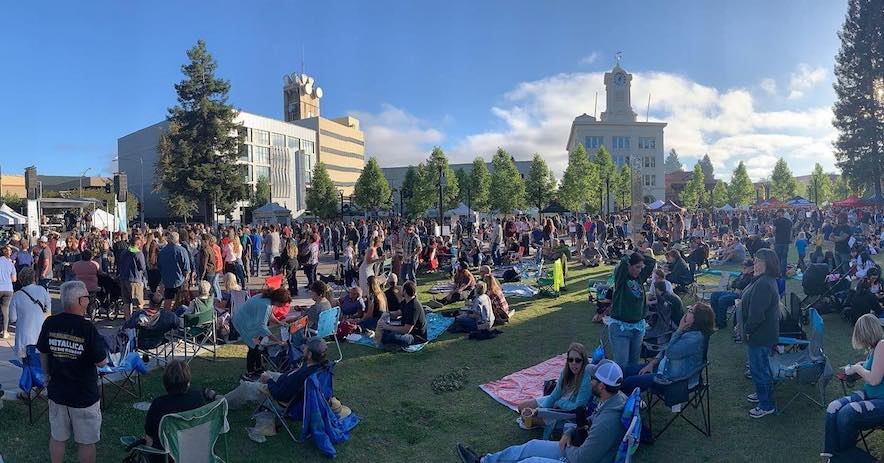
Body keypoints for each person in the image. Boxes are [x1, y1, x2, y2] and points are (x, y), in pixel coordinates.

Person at [457, 362, 627, 463]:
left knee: (530, 462)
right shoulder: (613, 398)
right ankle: (484, 461)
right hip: (578, 446)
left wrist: (567, 448)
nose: (589, 381)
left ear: (602, 386)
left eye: (593, 379)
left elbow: (583, 459)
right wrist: (568, 432)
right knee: (532, 446)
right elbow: (589, 420)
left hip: (580, 458)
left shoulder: (608, 421)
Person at [38, 281, 108, 463]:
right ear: (80, 301)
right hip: (84, 395)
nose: (89, 300)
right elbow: (102, 362)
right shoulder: (87, 328)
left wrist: (46, 375)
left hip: (57, 391)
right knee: (86, 441)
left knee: (58, 437)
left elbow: (43, 352)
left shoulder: (50, 322)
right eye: (87, 297)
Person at [822, 314, 884, 462]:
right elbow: (875, 368)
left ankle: (842, 457)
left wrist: (857, 368)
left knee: (847, 413)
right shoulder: (874, 348)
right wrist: (858, 367)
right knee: (834, 407)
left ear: (864, 333)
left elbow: (874, 380)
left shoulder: (882, 344)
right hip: (871, 395)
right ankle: (832, 455)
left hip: (881, 400)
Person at [622, 303, 714, 395]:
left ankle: (620, 404)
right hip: (665, 367)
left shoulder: (694, 339)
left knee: (630, 382)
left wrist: (679, 329)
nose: (687, 312)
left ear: (697, 318)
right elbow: (666, 349)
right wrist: (651, 364)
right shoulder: (689, 330)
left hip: (672, 380)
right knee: (626, 371)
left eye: (690, 311)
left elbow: (670, 352)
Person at [223, 337, 329, 409]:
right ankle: (244, 391)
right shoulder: (318, 366)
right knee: (268, 372)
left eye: (306, 347)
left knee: (247, 386)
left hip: (281, 400)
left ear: (310, 354)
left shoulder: (303, 376)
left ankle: (220, 401)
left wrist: (268, 381)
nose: (303, 348)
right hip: (285, 382)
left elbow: (280, 394)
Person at [740, 248, 781, 418]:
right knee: (759, 368)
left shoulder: (764, 283)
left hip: (760, 334)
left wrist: (747, 330)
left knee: (760, 369)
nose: (754, 263)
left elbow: (757, 314)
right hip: (761, 333)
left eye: (757, 260)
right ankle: (761, 394)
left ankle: (766, 404)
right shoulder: (762, 280)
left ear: (767, 264)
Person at [140, 360, 207, 456]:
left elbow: (149, 435)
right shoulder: (198, 397)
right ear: (188, 380)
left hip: (168, 456)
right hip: (196, 452)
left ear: (165, 381)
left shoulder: (159, 404)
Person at [516, 343, 593, 426]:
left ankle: (543, 423)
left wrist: (559, 403)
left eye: (577, 360)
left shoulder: (586, 379)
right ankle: (539, 418)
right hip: (559, 401)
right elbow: (555, 394)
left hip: (567, 411)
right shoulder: (566, 372)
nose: (573, 363)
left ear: (583, 361)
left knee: (526, 419)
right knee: (521, 407)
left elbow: (578, 407)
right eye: (570, 359)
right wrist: (541, 410)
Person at [609, 243, 656, 368]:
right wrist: (629, 255)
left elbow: (651, 263)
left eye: (641, 267)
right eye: (637, 267)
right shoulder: (621, 279)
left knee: (634, 363)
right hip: (621, 327)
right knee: (622, 365)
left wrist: (641, 254)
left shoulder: (639, 277)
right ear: (629, 266)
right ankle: (618, 387)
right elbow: (623, 264)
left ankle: (630, 387)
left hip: (638, 327)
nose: (640, 270)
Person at [232, 287, 291, 378]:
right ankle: (250, 372)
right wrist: (277, 341)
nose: (282, 306)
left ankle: (258, 368)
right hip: (243, 323)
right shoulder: (266, 305)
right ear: (278, 301)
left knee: (257, 346)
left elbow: (269, 314)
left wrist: (279, 323)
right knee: (254, 347)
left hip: (248, 320)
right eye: (282, 304)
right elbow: (262, 327)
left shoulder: (267, 299)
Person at [9, 267, 49, 358]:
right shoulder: (42, 290)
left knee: (26, 362)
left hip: (23, 334)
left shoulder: (16, 295)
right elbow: (48, 310)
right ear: (34, 278)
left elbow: (12, 318)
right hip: (39, 332)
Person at [375, 281, 427, 347]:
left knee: (390, 337)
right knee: (385, 331)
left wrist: (387, 327)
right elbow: (398, 313)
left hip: (416, 337)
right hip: (406, 330)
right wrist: (388, 314)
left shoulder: (414, 307)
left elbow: (406, 330)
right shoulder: (406, 301)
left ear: (405, 291)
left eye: (402, 289)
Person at [710, 259, 756, 330]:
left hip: (741, 296)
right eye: (743, 266)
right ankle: (716, 319)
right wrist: (737, 284)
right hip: (734, 292)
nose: (743, 268)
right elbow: (733, 283)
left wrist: (738, 284)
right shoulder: (743, 273)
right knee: (714, 295)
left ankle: (721, 324)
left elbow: (741, 285)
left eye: (745, 267)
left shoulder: (752, 276)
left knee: (722, 300)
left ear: (752, 268)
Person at [117, 234, 146, 318]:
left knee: (126, 302)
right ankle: (139, 320)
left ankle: (128, 320)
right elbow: (143, 267)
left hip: (124, 279)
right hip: (135, 280)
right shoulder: (138, 253)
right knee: (139, 303)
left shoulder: (123, 252)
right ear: (138, 244)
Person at [0, 245, 16, 338]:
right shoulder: (11, 264)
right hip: (8, 289)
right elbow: (14, 279)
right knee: (5, 309)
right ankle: (5, 331)